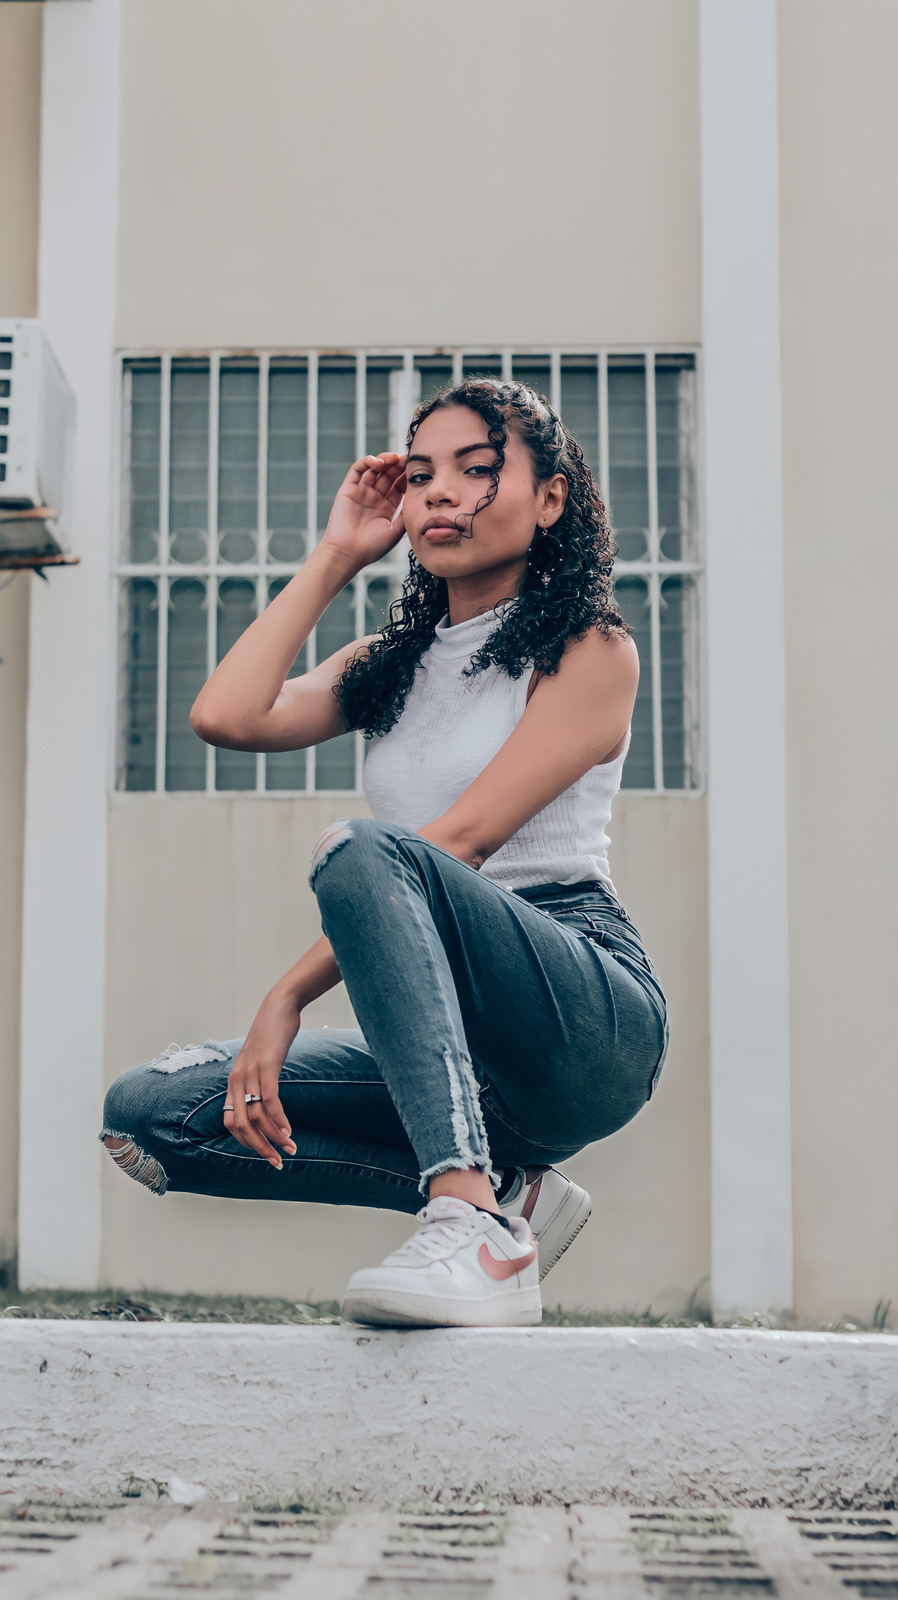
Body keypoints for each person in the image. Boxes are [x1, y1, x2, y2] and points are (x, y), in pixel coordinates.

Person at [101, 378, 668, 1329]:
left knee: (363, 851)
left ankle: (464, 1219)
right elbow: (225, 715)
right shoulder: (389, 666)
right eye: (420, 475)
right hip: (443, 1038)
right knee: (154, 1114)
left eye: (477, 471)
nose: (441, 493)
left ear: (551, 499)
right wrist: (336, 554)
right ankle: (509, 1199)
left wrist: (286, 995)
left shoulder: (589, 651)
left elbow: (461, 844)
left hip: (580, 1012)